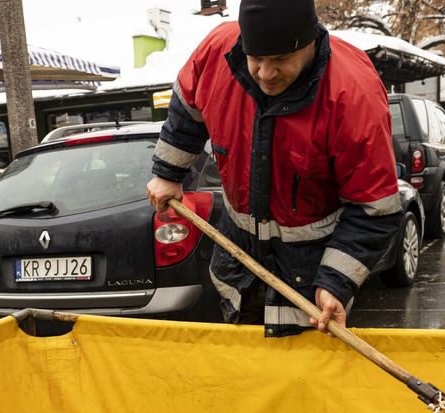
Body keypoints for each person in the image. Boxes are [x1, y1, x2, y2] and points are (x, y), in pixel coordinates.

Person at [145, 0, 401, 337]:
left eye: (280, 59)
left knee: (303, 381)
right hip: (238, 272)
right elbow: (187, 108)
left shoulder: (353, 95)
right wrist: (167, 173)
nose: (266, 73)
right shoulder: (218, 51)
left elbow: (375, 209)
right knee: (247, 375)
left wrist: (336, 283)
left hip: (308, 286)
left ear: (309, 42)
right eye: (257, 59)